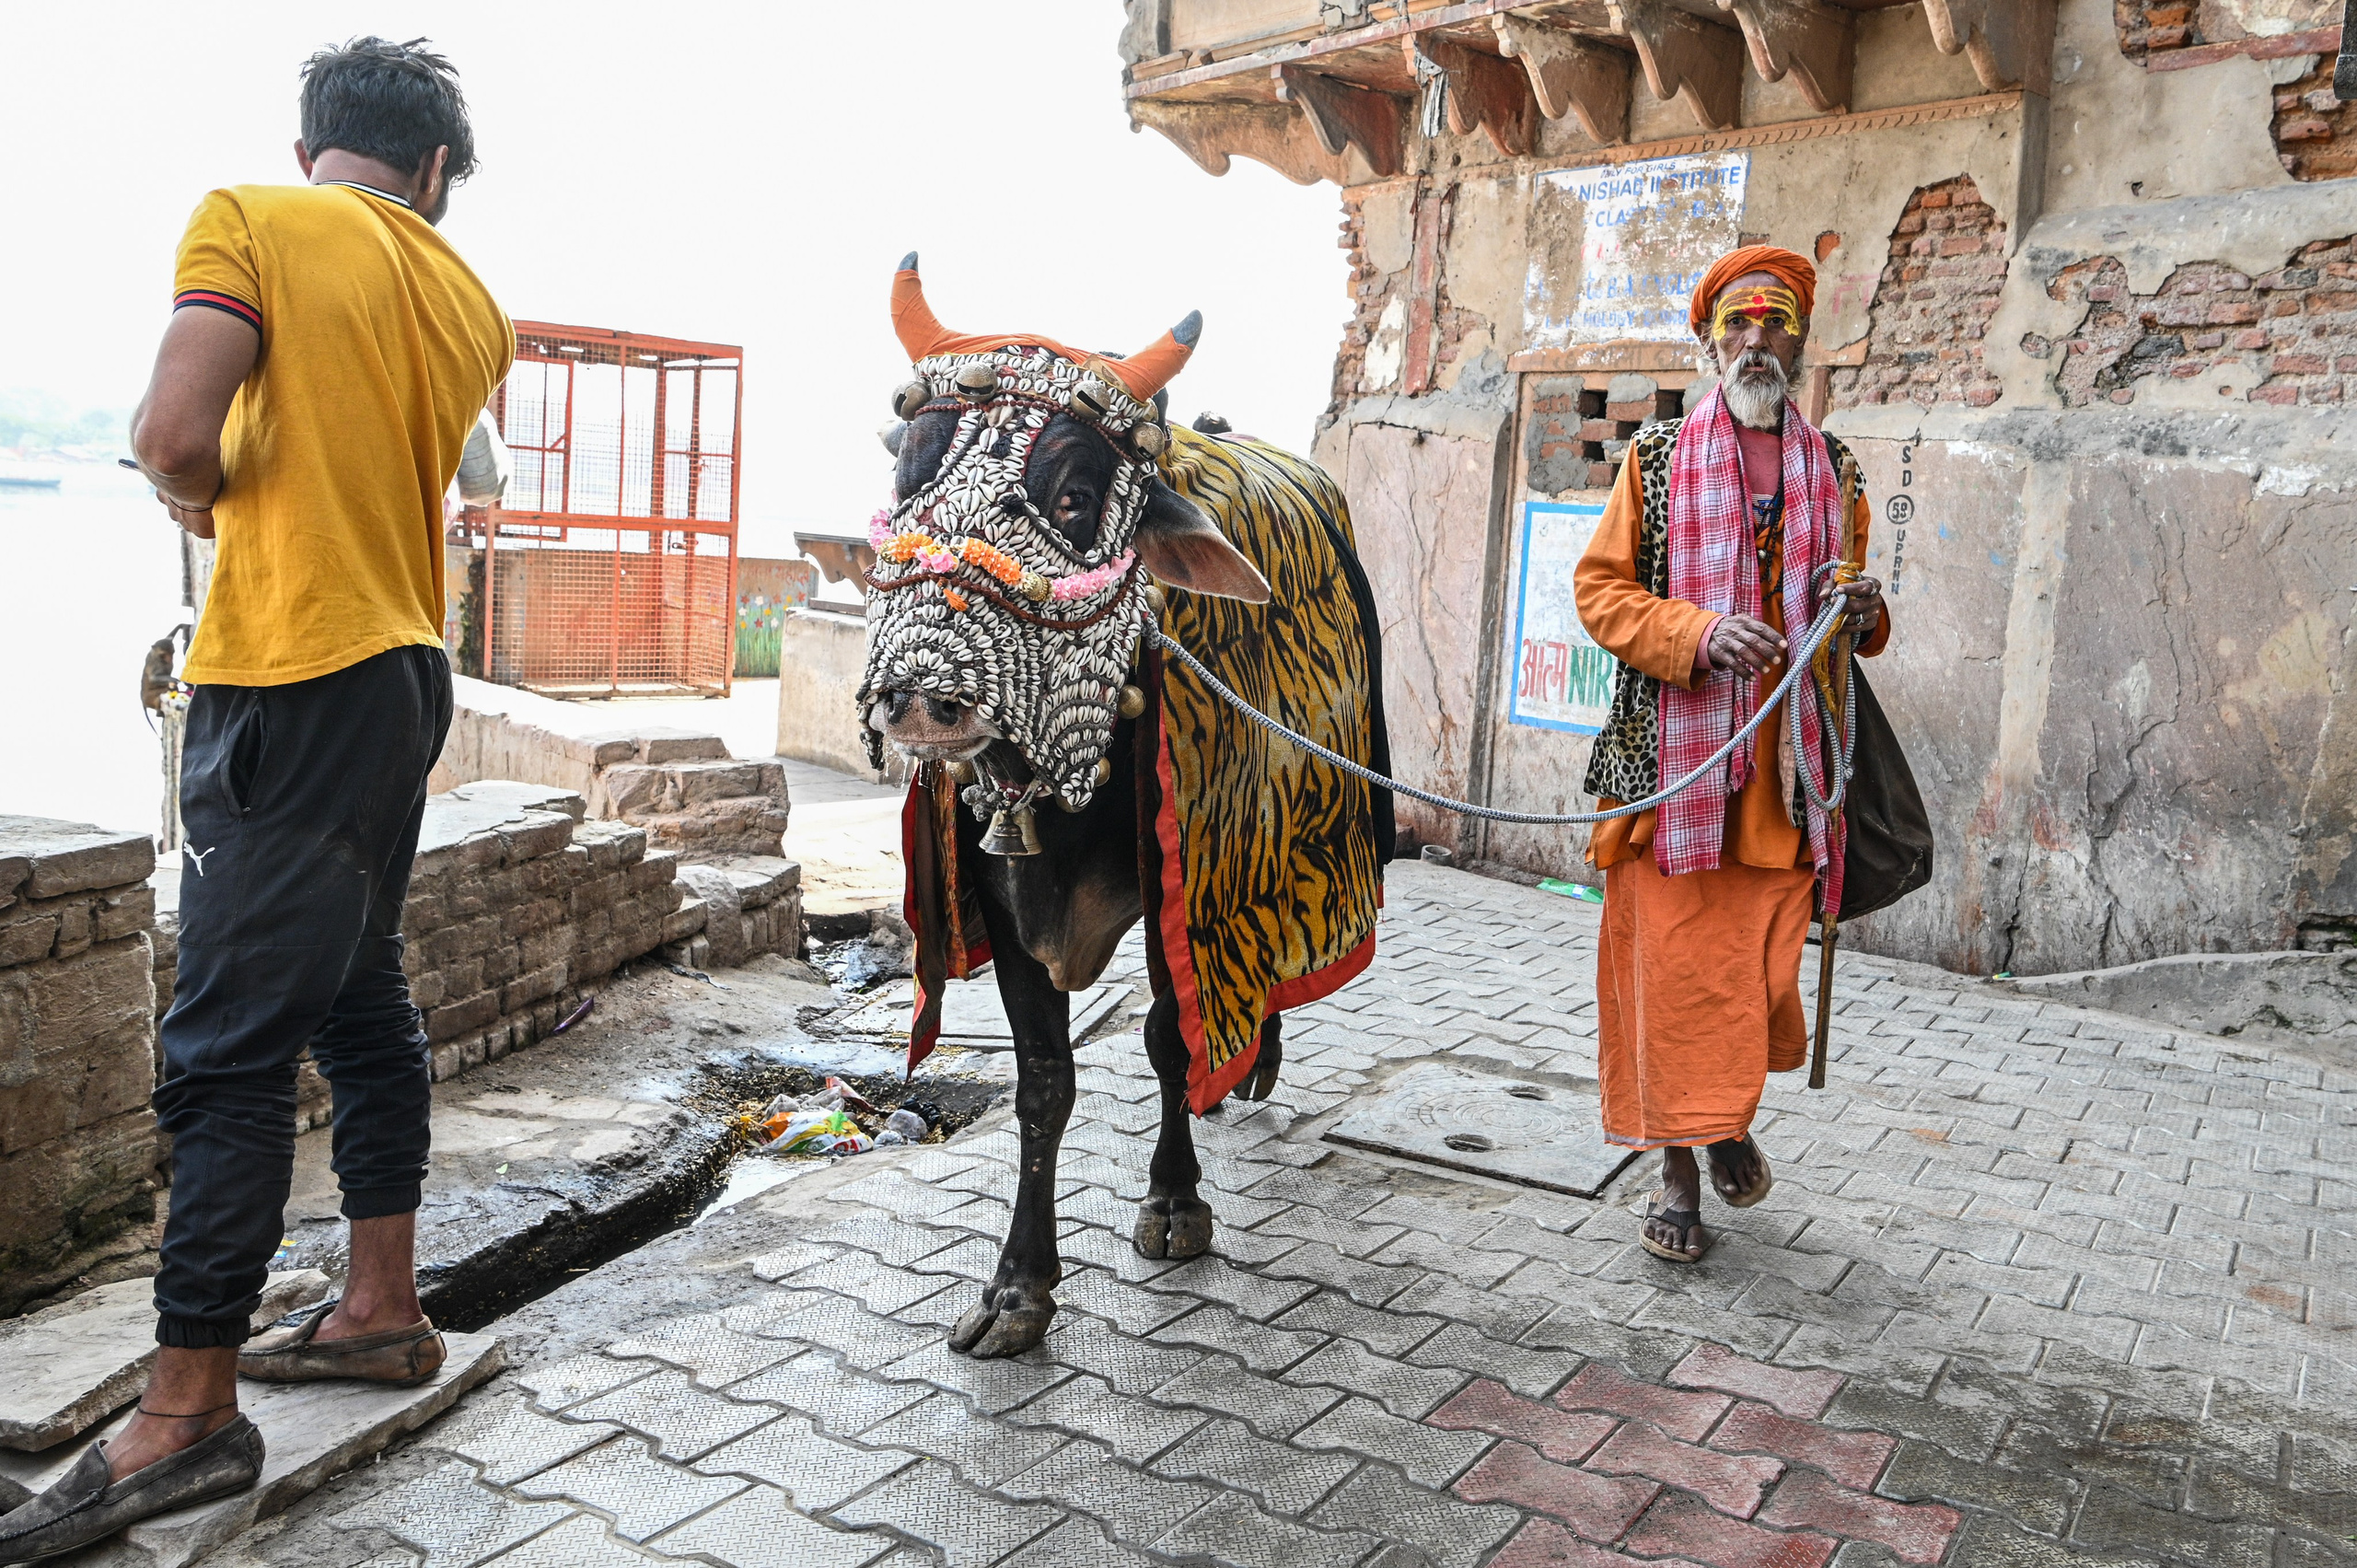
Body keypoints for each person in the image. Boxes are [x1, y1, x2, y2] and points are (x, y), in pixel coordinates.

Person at [0, 39, 511, 1560]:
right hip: (407, 672)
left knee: (221, 1052)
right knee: (360, 1001)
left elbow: (174, 433)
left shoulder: (249, 217)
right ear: (431, 176)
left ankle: (187, 1408)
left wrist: (186, 494)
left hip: (291, 673)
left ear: (318, 151)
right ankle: (378, 1307)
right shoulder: (467, 297)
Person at [1572, 246, 1888, 1265]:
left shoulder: (1834, 470)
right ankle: (1674, 1169)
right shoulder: (1654, 462)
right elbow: (1601, 594)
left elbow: (1855, 621)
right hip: (1674, 782)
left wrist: (1867, 611)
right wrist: (1699, 634)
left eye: (1776, 321)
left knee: (1756, 982)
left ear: (1798, 340)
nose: (1757, 337)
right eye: (1739, 321)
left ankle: (1722, 1116)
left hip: (1789, 786)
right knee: (1669, 981)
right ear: (1711, 340)